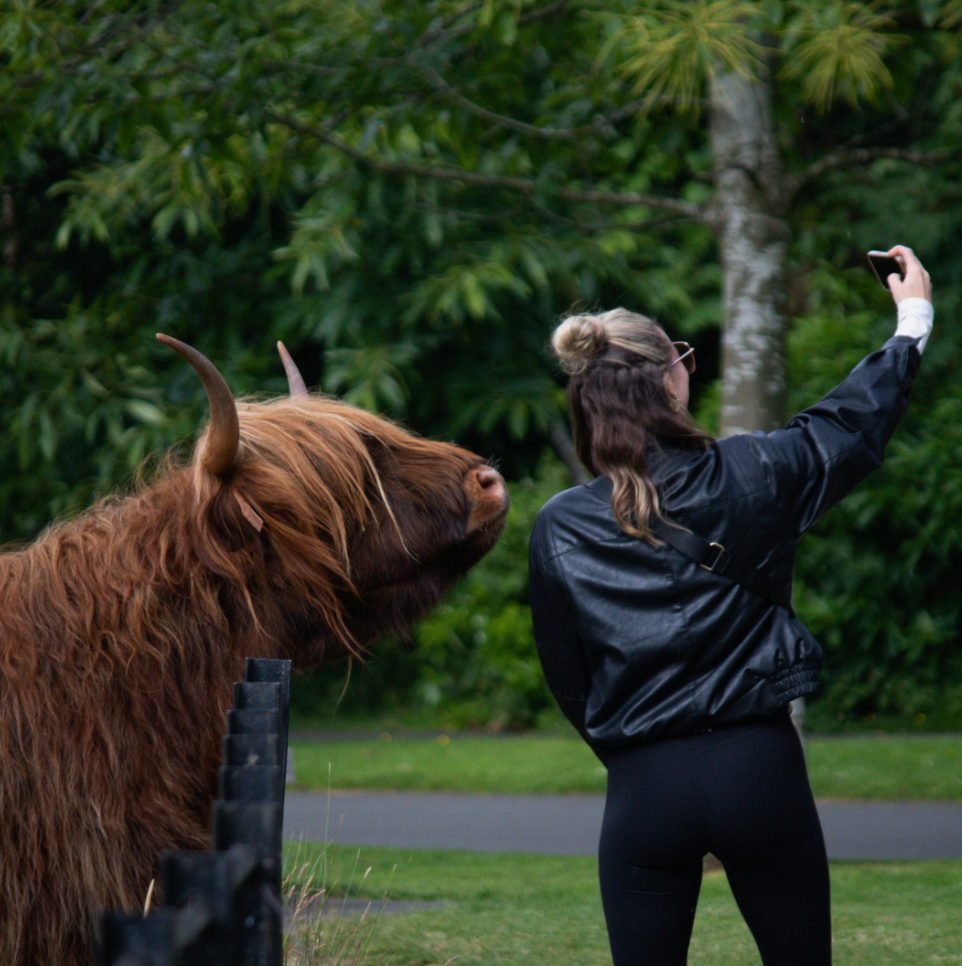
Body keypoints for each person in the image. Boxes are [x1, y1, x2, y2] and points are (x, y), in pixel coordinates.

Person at [528, 246, 933, 966]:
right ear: (669, 380)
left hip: (644, 787)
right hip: (760, 770)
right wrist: (913, 321)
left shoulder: (561, 524)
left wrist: (636, 751)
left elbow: (569, 677)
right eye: (683, 357)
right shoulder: (753, 472)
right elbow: (850, 425)